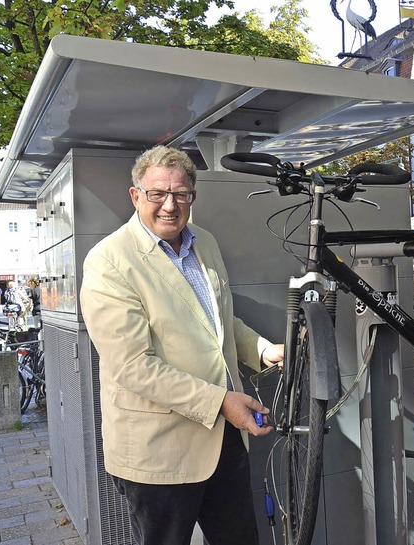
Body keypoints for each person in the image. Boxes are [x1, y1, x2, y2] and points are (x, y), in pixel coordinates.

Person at [79, 145, 284, 545]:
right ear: (136, 195)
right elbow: (133, 366)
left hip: (223, 438)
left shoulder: (203, 243)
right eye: (157, 194)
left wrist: (261, 350)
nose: (169, 205)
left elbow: (218, 324)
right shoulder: (109, 261)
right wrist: (221, 401)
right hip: (159, 451)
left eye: (180, 194)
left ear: (193, 196)